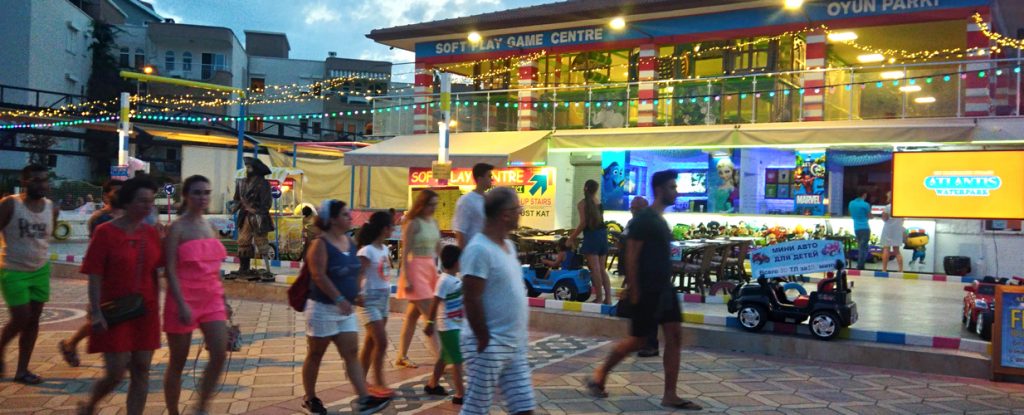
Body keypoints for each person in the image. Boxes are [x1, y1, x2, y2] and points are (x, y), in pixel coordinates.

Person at [586, 170, 703, 411]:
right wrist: (634, 289)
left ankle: (670, 394)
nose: (676, 191)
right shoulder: (644, 220)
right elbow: (631, 255)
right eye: (672, 187)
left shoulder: (658, 220)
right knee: (637, 340)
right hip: (648, 290)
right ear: (660, 190)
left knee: (674, 336)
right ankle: (599, 375)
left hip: (664, 288)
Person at [78, 176, 163, 415]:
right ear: (126, 202)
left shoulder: (151, 233)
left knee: (142, 369)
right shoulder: (105, 232)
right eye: (142, 201)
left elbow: (159, 270)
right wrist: (95, 311)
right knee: (116, 372)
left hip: (145, 310)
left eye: (151, 201)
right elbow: (94, 274)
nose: (147, 206)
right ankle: (91, 404)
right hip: (114, 309)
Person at [301, 200, 391, 415]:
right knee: (316, 354)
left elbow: (354, 273)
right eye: (344, 214)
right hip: (323, 308)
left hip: (346, 309)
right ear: (331, 220)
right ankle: (310, 398)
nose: (349, 218)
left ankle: (363, 398)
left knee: (351, 352)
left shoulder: (350, 243)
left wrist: (355, 295)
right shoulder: (320, 244)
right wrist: (339, 297)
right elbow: (318, 275)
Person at [460, 187, 535, 415]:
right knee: (476, 408)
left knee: (524, 408)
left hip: (514, 345)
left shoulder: (508, 246)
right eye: (517, 209)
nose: (520, 213)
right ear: (505, 214)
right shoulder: (479, 249)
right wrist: (483, 337)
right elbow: (471, 297)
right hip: (489, 344)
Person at [162, 175, 229, 415]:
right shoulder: (177, 227)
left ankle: (201, 406)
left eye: (206, 193)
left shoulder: (210, 226)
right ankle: (173, 412)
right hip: (182, 298)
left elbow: (216, 269)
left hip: (211, 298)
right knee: (178, 362)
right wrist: (181, 304)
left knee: (220, 353)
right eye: (197, 193)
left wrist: (224, 300)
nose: (203, 198)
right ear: (186, 196)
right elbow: (169, 269)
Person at [0, 165, 57, 385]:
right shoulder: (10, 205)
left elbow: (46, 238)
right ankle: (2, 349)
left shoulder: (52, 208)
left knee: (33, 320)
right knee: (21, 317)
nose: (41, 184)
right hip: (13, 269)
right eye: (36, 180)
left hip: (40, 269)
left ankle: (22, 370)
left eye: (44, 180)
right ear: (24, 182)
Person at [59, 179, 124, 368]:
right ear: (105, 195)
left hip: (123, 275)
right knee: (99, 316)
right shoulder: (99, 219)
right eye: (116, 191)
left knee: (118, 314)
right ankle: (71, 343)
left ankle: (72, 344)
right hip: (104, 275)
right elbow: (97, 251)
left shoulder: (129, 215)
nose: (121, 195)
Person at [394, 190, 442, 369]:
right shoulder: (413, 223)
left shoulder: (434, 222)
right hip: (415, 270)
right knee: (430, 316)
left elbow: (438, 248)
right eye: (431, 204)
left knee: (413, 316)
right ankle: (442, 359)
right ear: (421, 204)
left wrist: (443, 269)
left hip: (430, 269)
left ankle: (402, 355)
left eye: (436, 204)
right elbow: (405, 251)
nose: (433, 208)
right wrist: (405, 277)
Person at [356, 211, 395, 397]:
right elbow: (360, 274)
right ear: (384, 228)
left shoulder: (385, 249)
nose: (394, 229)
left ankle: (360, 380)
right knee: (381, 342)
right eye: (391, 226)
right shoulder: (366, 250)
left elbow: (385, 272)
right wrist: (359, 293)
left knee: (371, 342)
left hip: (383, 299)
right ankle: (379, 382)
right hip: (369, 301)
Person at [424, 245, 466, 405]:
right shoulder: (444, 281)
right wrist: (429, 323)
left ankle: (432, 384)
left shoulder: (456, 280)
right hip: (448, 326)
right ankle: (460, 394)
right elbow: (435, 303)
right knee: (457, 360)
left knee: (443, 357)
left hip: (455, 324)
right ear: (456, 262)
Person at [619, 196, 659, 358]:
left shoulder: (651, 224)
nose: (633, 211)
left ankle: (650, 344)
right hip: (638, 274)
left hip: (648, 275)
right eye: (632, 208)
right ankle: (641, 342)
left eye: (636, 209)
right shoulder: (634, 224)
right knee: (640, 313)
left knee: (648, 312)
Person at [227, 157, 275, 282]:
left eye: (249, 167)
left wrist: (254, 209)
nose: (247, 169)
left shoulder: (264, 184)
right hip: (245, 217)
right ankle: (244, 268)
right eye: (246, 167)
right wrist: (233, 207)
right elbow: (237, 199)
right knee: (243, 242)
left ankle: (268, 269)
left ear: (256, 169)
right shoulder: (241, 182)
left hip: (258, 218)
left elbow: (267, 203)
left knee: (262, 243)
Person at [570, 180, 611, 305]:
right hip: (603, 235)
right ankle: (607, 299)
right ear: (596, 189)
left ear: (585, 188)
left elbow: (583, 223)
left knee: (595, 270)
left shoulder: (582, 204)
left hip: (592, 236)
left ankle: (598, 298)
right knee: (602, 269)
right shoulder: (598, 202)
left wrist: (571, 237)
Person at [453, 163, 494, 249]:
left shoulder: (490, 199)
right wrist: (464, 257)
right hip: (473, 251)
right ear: (480, 179)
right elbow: (460, 232)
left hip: (488, 251)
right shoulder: (466, 201)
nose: (492, 179)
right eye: (489, 176)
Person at [879, 191, 905, 273]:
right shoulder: (900, 207)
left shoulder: (888, 207)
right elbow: (903, 219)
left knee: (886, 249)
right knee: (897, 250)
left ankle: (884, 269)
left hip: (888, 229)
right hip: (897, 229)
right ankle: (900, 270)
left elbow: (884, 218)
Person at [848, 190, 871, 271]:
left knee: (860, 246)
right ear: (864, 195)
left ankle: (860, 265)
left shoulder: (851, 203)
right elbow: (869, 216)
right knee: (864, 248)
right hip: (865, 227)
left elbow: (851, 215)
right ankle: (860, 266)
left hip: (856, 228)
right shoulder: (865, 204)